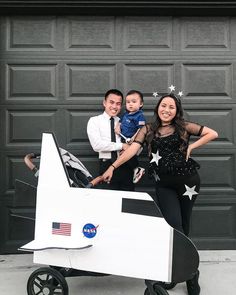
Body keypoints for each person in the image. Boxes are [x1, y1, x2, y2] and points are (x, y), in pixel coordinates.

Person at [102, 92, 218, 295]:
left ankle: (191, 273)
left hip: (188, 183)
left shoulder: (184, 126)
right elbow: (131, 150)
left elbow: (212, 133)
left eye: (171, 107)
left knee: (185, 227)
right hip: (164, 185)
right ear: (158, 108)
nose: (167, 110)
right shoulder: (148, 129)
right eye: (163, 105)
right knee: (175, 227)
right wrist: (112, 165)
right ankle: (178, 271)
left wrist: (192, 145)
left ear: (176, 110)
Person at [87, 88, 134, 191]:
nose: (114, 106)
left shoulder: (124, 122)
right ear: (104, 103)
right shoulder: (94, 121)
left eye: (118, 104)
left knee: (128, 201)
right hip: (106, 165)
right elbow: (97, 145)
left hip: (125, 165)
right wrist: (121, 146)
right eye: (111, 102)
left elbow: (132, 143)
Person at [116, 90, 146, 183]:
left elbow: (141, 129)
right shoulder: (126, 114)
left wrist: (134, 139)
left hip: (134, 141)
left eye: (134, 101)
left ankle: (137, 169)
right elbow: (120, 121)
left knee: (128, 155)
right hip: (124, 140)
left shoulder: (139, 116)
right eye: (128, 102)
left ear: (141, 104)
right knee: (123, 156)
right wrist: (117, 127)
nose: (130, 104)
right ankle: (134, 170)